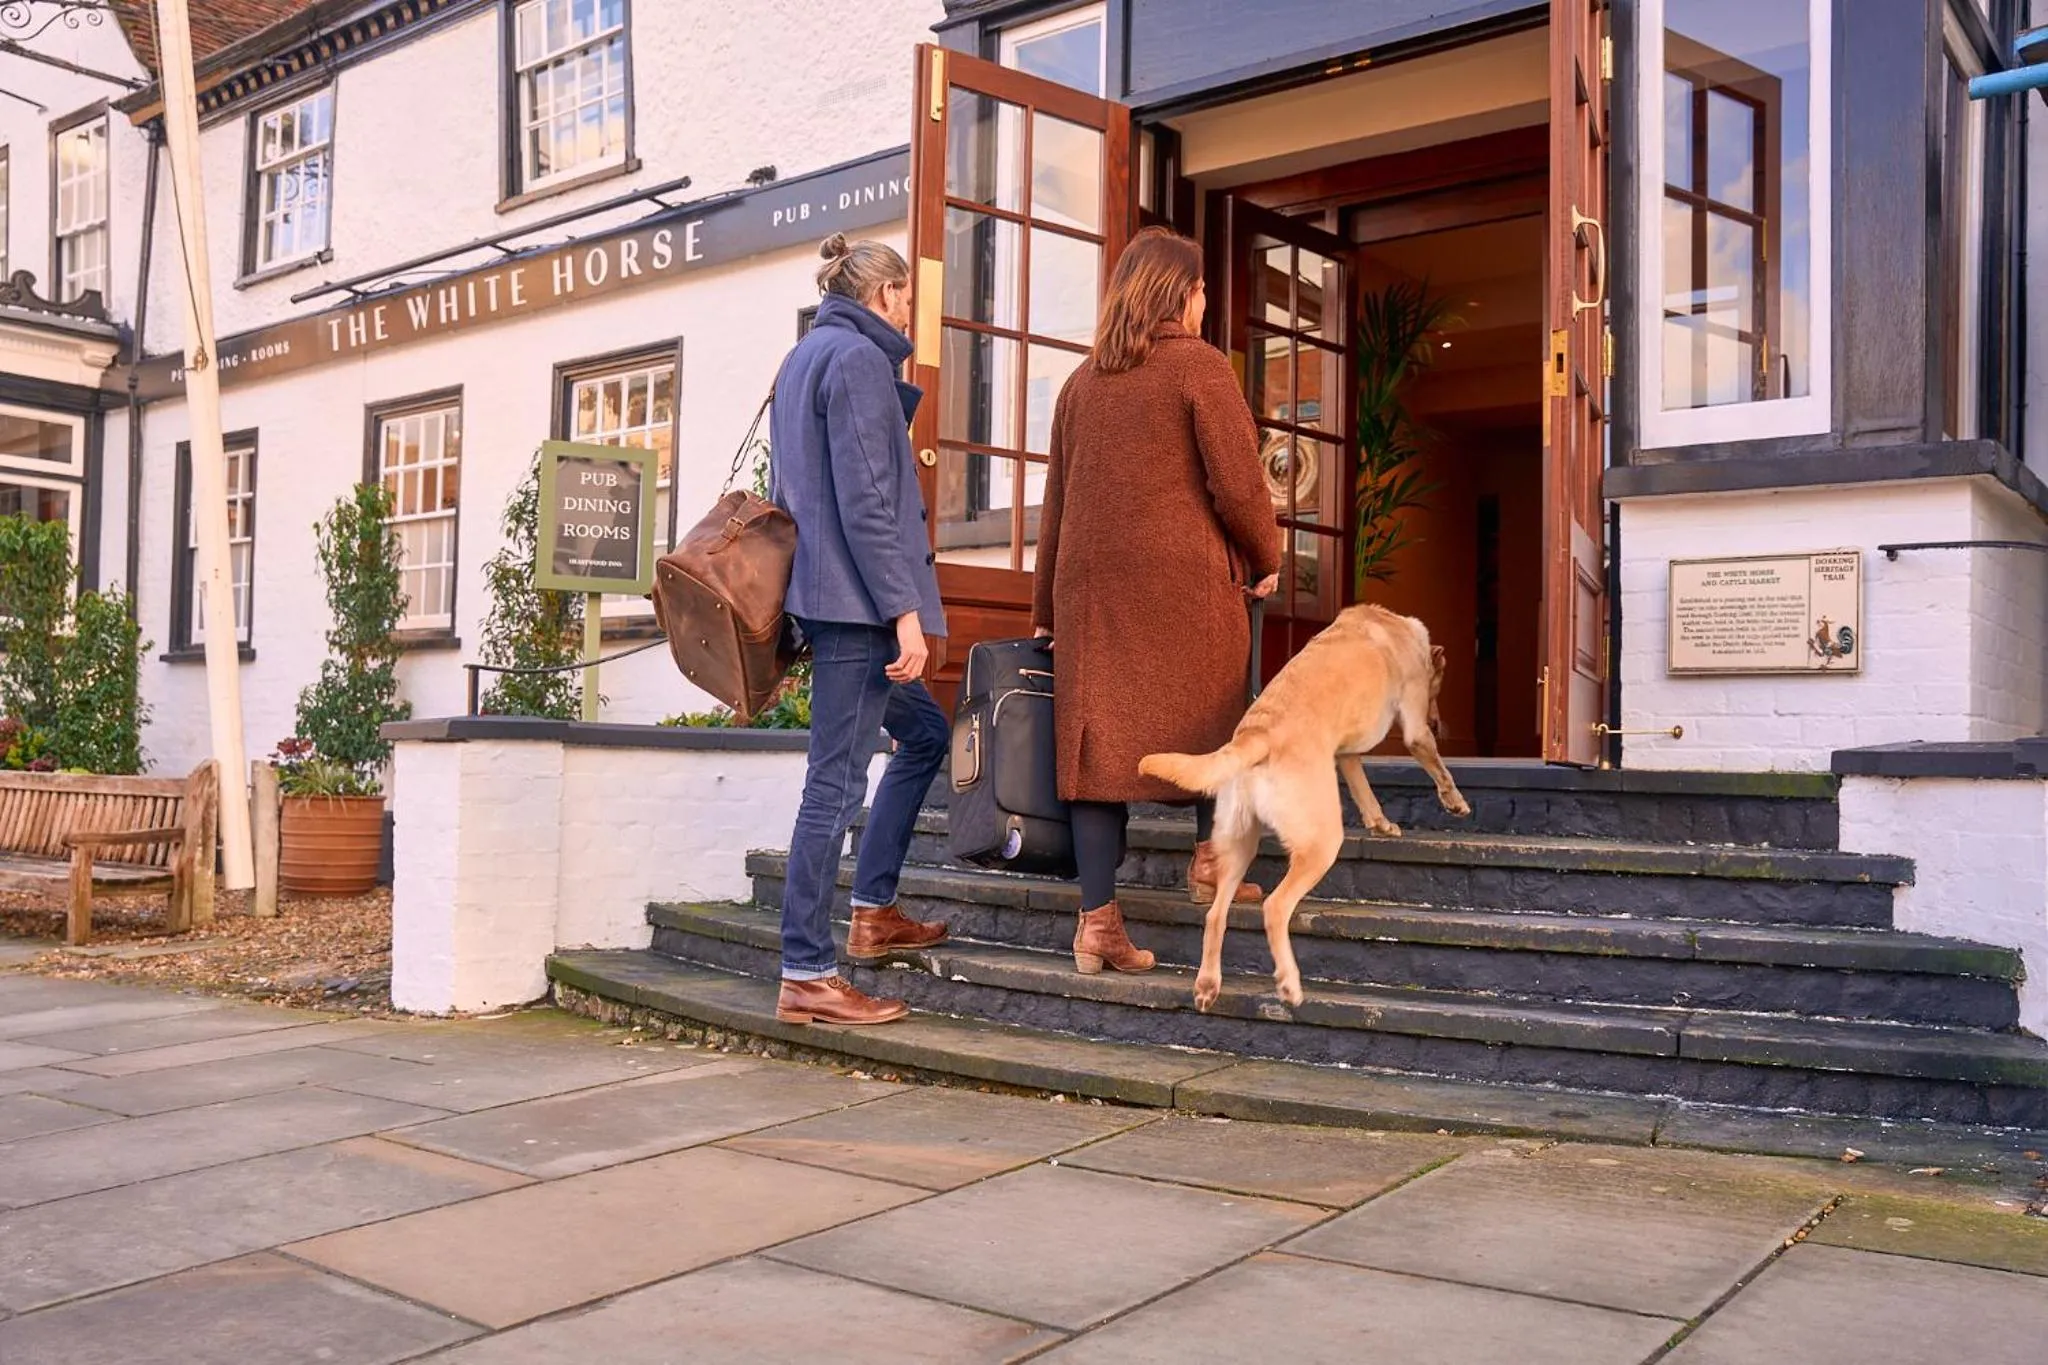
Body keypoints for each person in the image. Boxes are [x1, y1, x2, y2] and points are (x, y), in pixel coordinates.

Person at [1034, 226, 1283, 975]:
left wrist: (1046, 608)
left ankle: (1098, 923)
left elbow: (1056, 506)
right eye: (1202, 289)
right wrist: (1267, 557)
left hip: (1091, 597)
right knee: (1213, 717)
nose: (1206, 302)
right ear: (1181, 294)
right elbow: (1238, 484)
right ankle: (1210, 860)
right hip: (1185, 590)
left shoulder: (1081, 384)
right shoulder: (1198, 367)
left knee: (1095, 754)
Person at [768, 234, 950, 1025]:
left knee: (926, 733)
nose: (911, 312)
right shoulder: (858, 360)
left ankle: (873, 909)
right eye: (907, 297)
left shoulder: (804, 357)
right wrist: (904, 612)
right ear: (883, 295)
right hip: (858, 613)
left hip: (828, 599)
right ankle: (808, 971)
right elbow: (870, 502)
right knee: (834, 787)